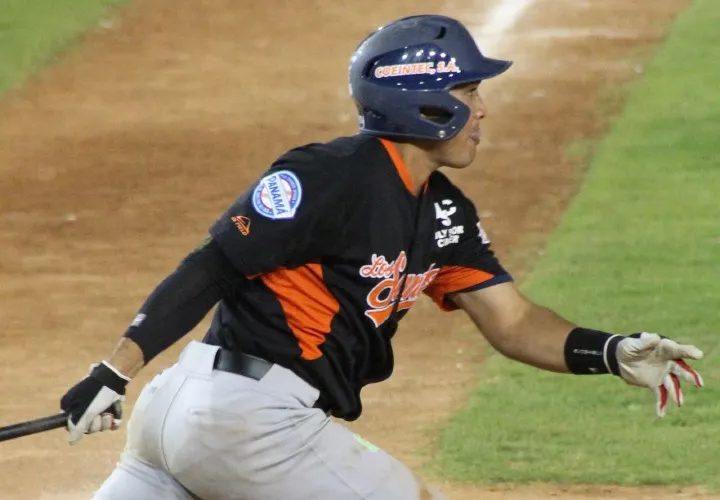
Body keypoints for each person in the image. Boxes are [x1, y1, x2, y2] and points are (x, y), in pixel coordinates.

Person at [59, 14, 705, 500]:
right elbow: (215, 264)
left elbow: (511, 322)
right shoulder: (332, 176)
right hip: (247, 421)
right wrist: (116, 368)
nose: (482, 110)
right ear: (421, 99)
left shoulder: (442, 212)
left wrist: (610, 350)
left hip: (186, 416)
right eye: (468, 92)